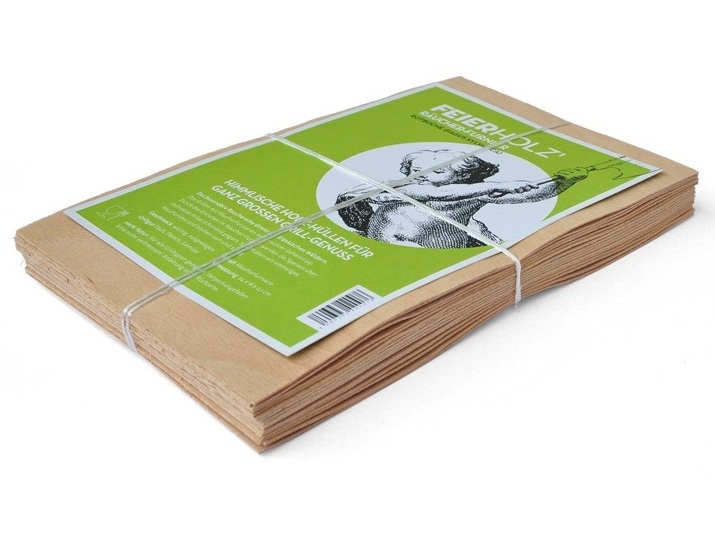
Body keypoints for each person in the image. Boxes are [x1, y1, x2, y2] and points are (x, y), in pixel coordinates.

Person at [336, 148, 590, 248]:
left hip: (435, 250)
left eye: (437, 171)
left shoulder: (472, 194)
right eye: (416, 169)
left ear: (463, 176)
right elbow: (437, 194)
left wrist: (564, 182)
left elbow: (529, 195)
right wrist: (504, 185)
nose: (421, 175)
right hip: (387, 244)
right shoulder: (401, 187)